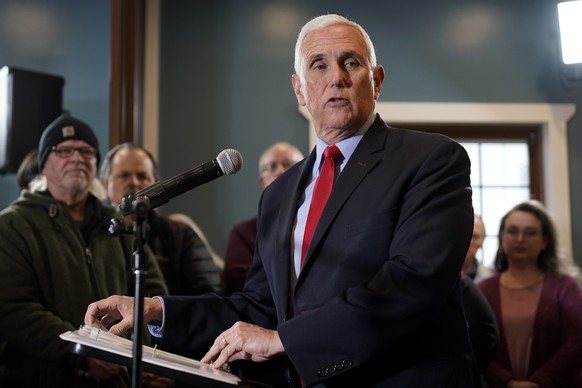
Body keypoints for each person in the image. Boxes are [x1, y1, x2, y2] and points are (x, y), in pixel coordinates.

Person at [85, 14, 478, 387]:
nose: (336, 78)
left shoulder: (432, 161)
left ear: (376, 80)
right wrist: (157, 310)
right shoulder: (279, 193)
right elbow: (258, 307)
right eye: (319, 65)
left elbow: (413, 284)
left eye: (351, 63)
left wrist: (284, 340)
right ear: (299, 89)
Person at [0, 114, 168, 387]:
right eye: (64, 150)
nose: (77, 157)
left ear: (94, 164)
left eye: (86, 151)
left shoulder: (120, 224)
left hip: (123, 378)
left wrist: (146, 359)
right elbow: (13, 308)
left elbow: (152, 295)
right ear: (43, 165)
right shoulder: (12, 225)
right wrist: (84, 353)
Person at [478, 200, 582, 388]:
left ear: (545, 241)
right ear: (501, 237)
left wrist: (540, 382)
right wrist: (506, 382)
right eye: (512, 231)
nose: (520, 239)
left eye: (530, 232)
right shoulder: (483, 289)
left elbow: (577, 340)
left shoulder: (565, 287)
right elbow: (476, 344)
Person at [100, 142, 224, 296]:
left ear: (154, 182)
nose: (134, 182)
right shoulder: (94, 234)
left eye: (142, 176)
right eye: (124, 175)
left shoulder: (180, 235)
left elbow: (208, 297)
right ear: (105, 184)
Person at [223, 141, 304, 294]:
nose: (281, 171)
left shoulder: (318, 221)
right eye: (272, 166)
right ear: (262, 181)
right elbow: (239, 285)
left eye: (289, 164)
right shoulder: (243, 232)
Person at [463, 214, 494, 282]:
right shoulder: (437, 273)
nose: (469, 242)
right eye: (464, 234)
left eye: (475, 237)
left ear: (482, 242)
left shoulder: (489, 277)